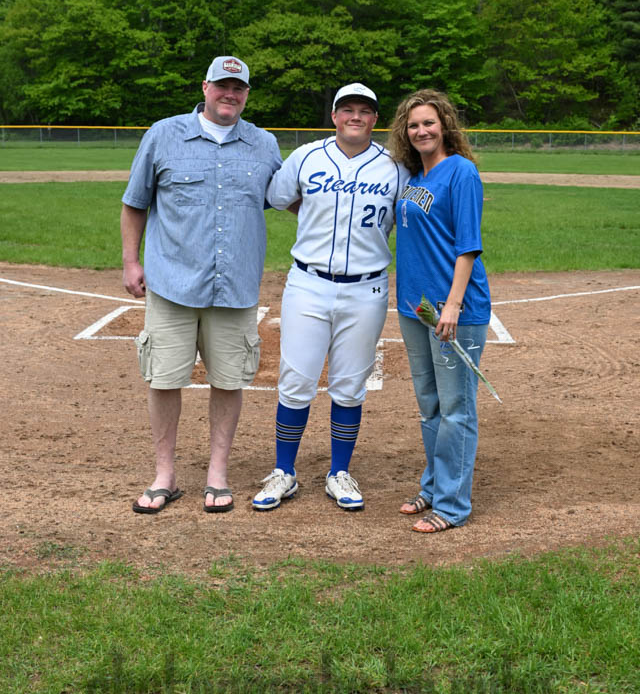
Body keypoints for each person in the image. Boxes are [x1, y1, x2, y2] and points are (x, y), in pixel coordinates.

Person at [122, 56, 282, 515]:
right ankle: (165, 475)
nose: (230, 94)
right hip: (171, 284)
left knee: (229, 381)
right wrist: (131, 261)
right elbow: (135, 203)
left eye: (239, 88)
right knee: (164, 379)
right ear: (206, 87)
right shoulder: (163, 135)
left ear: (246, 94)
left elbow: (290, 199)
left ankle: (217, 473)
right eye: (223, 85)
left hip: (234, 287)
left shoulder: (264, 144)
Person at [252, 83, 409, 511]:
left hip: (367, 289)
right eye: (347, 109)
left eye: (365, 111)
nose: (356, 116)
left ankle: (339, 472)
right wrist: (312, 213)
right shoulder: (307, 156)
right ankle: (284, 471)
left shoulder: (396, 167)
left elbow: (411, 217)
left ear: (375, 119)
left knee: (350, 385)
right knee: (296, 381)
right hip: (308, 283)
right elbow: (278, 197)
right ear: (335, 116)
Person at [388, 89, 491, 533]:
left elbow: (468, 246)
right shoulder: (414, 176)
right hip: (417, 308)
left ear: (445, 125)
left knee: (456, 409)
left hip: (453, 309)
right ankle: (433, 485)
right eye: (413, 125)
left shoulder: (461, 172)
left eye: (428, 122)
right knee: (430, 406)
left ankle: (451, 505)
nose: (421, 131)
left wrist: (453, 304)